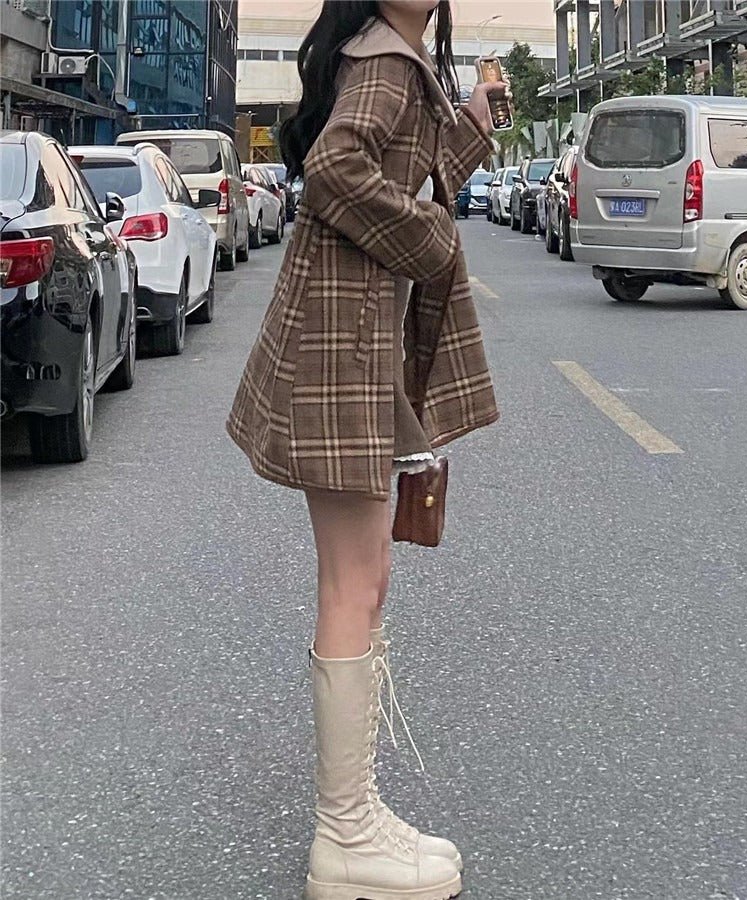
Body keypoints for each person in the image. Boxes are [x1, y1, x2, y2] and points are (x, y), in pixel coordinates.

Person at [226, 2, 509, 897]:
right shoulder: (385, 61)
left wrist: (470, 126)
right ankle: (344, 835)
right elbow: (336, 169)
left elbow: (395, 174)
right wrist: (432, 239)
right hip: (342, 340)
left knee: (365, 576)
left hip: (349, 334)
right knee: (354, 583)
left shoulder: (394, 56)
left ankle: (352, 820)